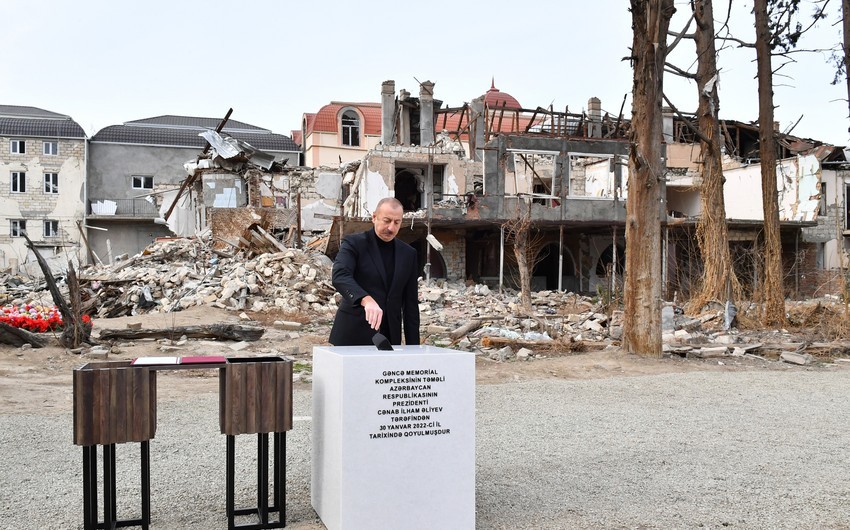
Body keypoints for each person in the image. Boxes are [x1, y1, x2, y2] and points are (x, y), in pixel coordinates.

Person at [329, 197, 421, 346]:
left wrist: (414, 348)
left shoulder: (409, 254)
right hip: (352, 333)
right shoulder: (354, 243)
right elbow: (340, 275)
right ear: (374, 217)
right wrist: (366, 299)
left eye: (396, 222)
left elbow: (410, 306)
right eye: (386, 220)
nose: (391, 228)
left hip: (390, 337)